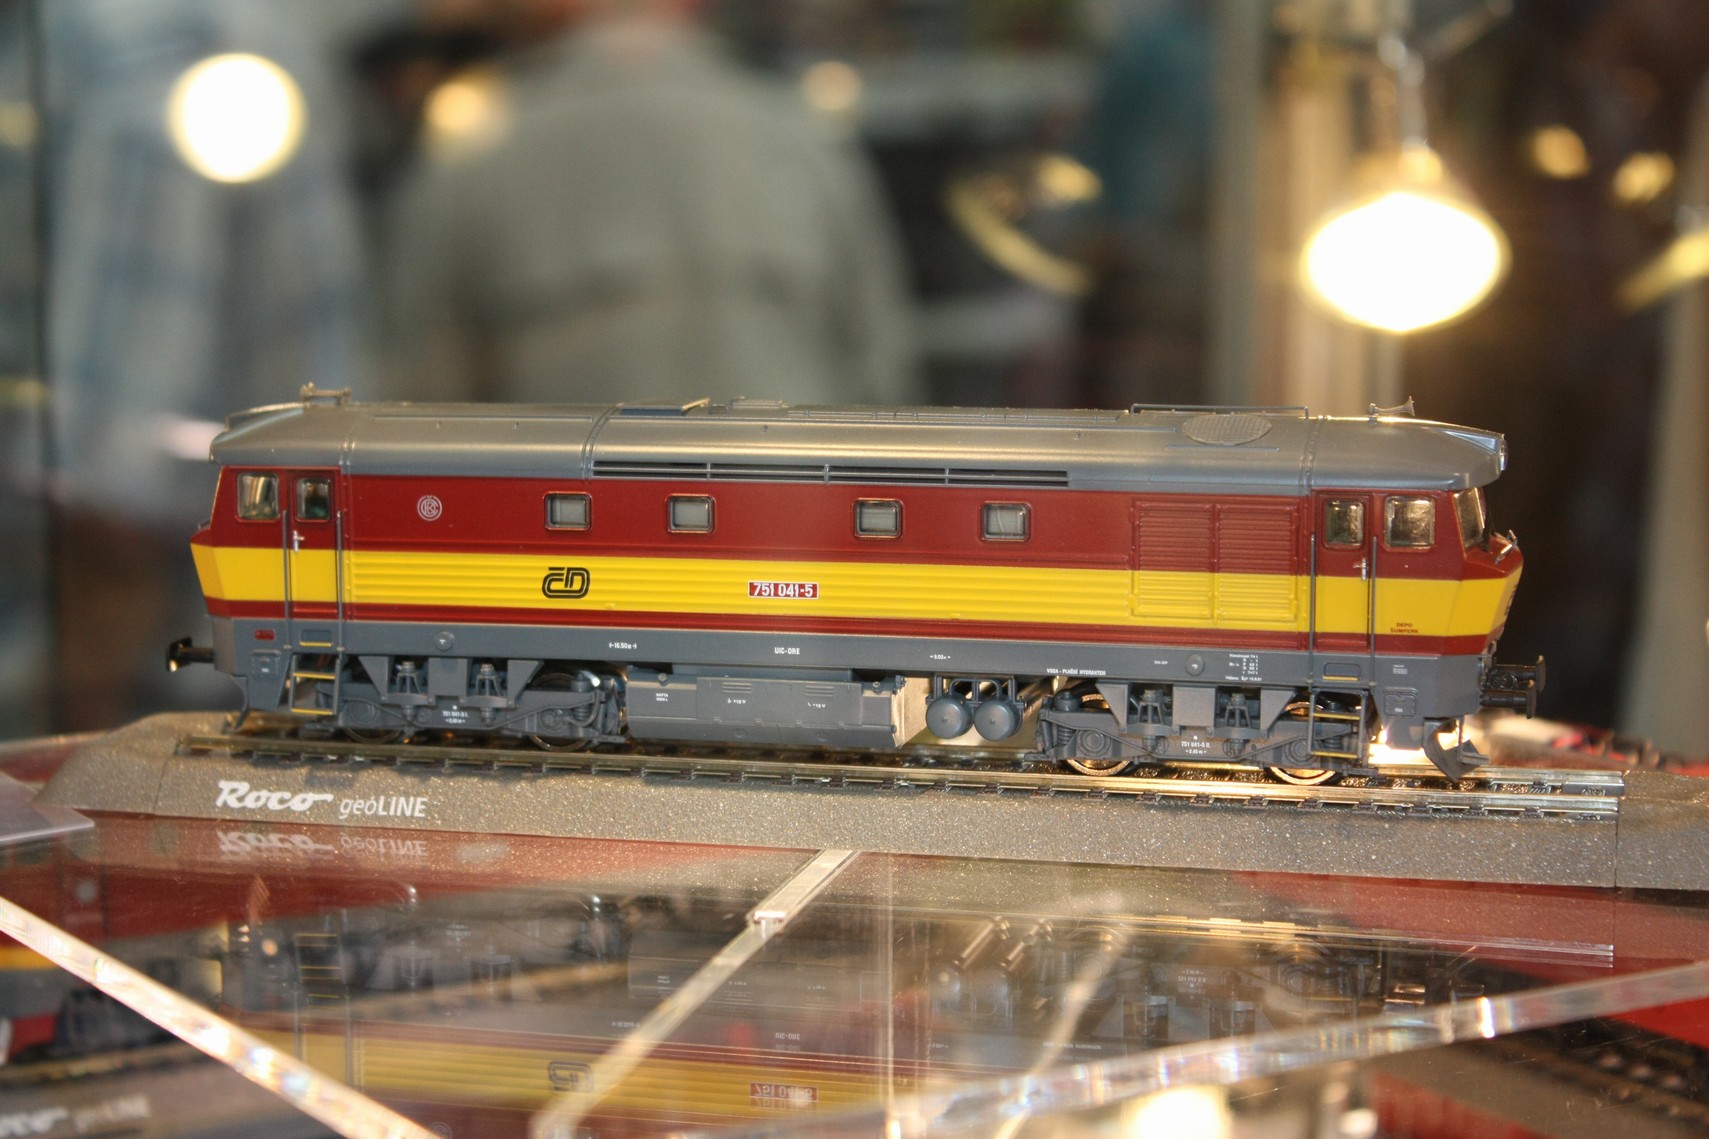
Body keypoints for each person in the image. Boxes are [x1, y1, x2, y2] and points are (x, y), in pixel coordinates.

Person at [381, 0, 919, 407]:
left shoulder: (469, 163)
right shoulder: (804, 139)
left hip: (571, 519)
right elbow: (883, 378)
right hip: (787, 513)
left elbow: (421, 407)